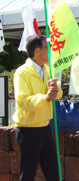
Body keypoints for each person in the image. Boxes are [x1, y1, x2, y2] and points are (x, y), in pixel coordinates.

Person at [13, 34, 63, 181]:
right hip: (28, 129)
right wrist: (45, 97)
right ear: (37, 51)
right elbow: (22, 101)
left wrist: (55, 90)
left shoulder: (47, 69)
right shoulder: (22, 72)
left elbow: (57, 93)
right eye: (46, 47)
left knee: (53, 173)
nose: (50, 50)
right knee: (28, 174)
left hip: (45, 126)